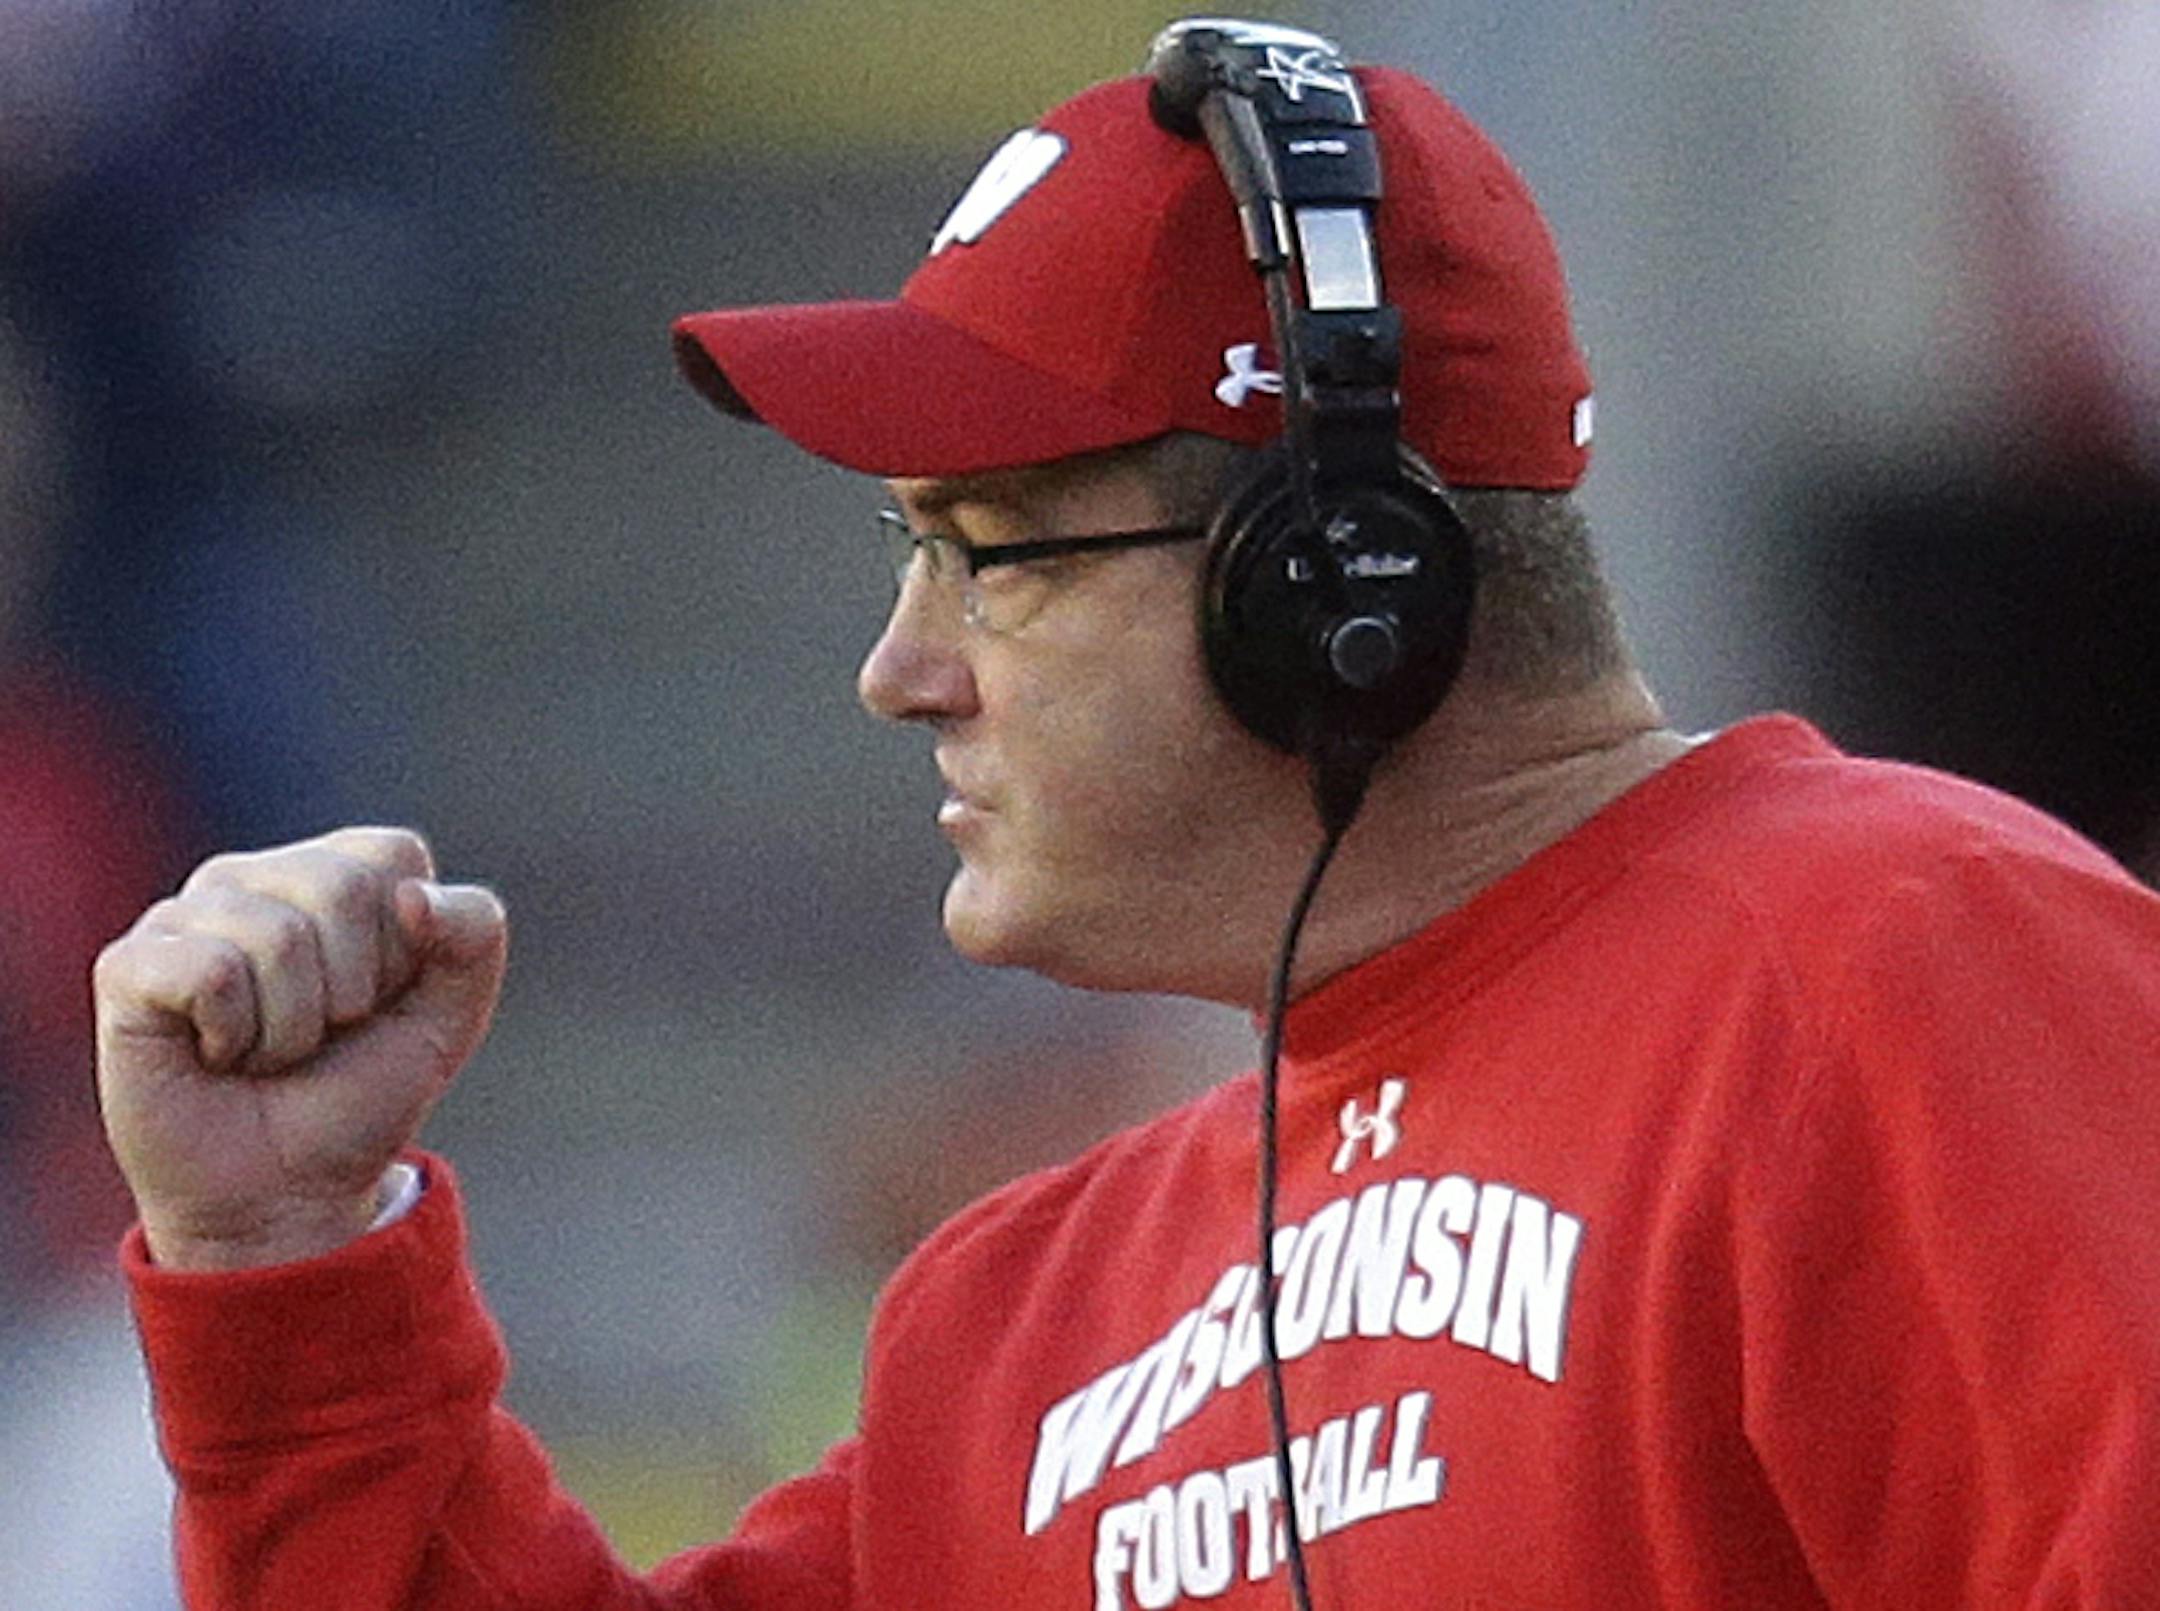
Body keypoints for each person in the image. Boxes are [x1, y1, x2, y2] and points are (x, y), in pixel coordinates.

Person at [96, 19, 2160, 1611]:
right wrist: (287, 1259)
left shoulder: (1903, 961)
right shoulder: (1010, 1311)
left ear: (1335, 579)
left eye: (993, 549)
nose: (902, 667)